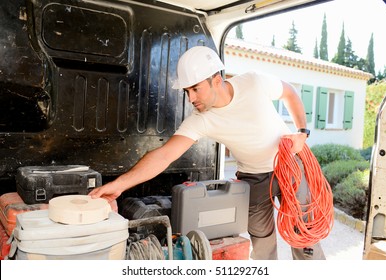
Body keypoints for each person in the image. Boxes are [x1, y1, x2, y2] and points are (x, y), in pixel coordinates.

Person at [89, 46, 325, 260]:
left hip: (290, 164)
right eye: (186, 91)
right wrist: (119, 185)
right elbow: (164, 155)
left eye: (195, 89)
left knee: (304, 237)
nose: (191, 98)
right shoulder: (201, 120)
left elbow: (290, 92)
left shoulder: (254, 82)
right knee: (262, 248)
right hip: (253, 178)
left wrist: (302, 133)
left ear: (216, 80)